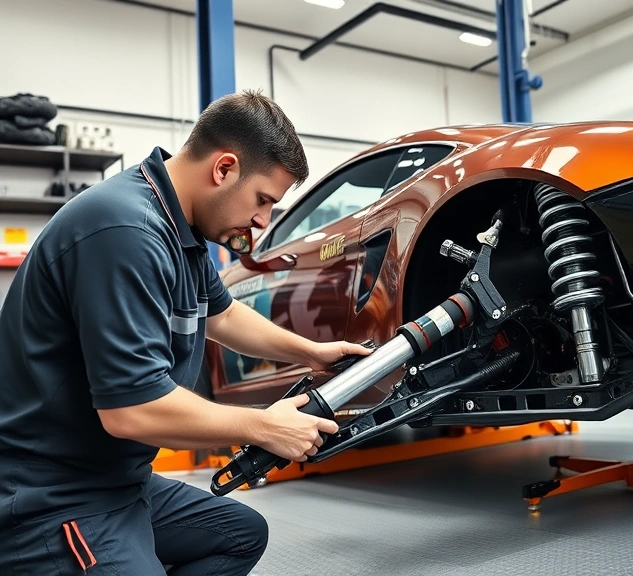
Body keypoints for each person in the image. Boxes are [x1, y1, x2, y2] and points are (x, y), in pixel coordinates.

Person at [0, 90, 370, 574]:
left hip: (119, 480)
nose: (263, 221)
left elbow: (224, 316)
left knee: (239, 536)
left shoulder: (183, 232)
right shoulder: (124, 229)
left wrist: (313, 352)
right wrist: (264, 424)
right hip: (53, 496)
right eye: (262, 200)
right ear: (224, 168)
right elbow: (131, 411)